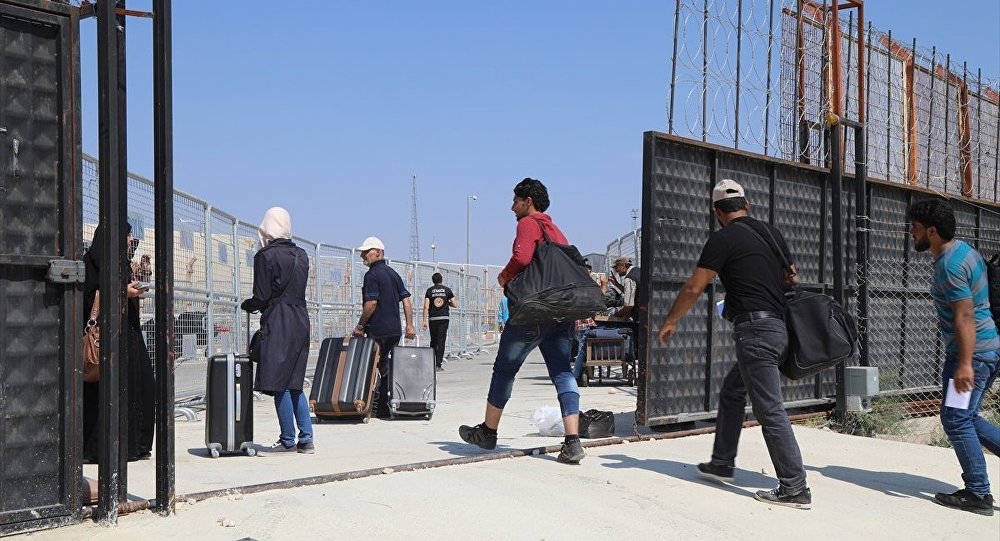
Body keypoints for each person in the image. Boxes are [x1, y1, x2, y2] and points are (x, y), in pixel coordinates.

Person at [657, 178, 812, 509]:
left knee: (769, 409)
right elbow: (792, 276)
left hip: (755, 332)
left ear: (716, 211)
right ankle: (722, 462)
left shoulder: (722, 239)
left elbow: (694, 287)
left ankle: (795, 486)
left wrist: (671, 320)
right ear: (747, 204)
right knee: (732, 391)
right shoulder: (772, 233)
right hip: (778, 327)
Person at [459, 178, 585, 464]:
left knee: (504, 370)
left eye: (515, 200)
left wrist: (504, 277)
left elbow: (522, 256)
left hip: (533, 312)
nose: (511, 206)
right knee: (563, 372)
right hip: (561, 314)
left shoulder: (529, 223)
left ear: (528, 201)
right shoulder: (556, 231)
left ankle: (488, 432)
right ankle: (572, 441)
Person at [907, 199, 998, 516]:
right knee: (967, 416)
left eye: (916, 229)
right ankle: (978, 489)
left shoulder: (949, 265)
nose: (912, 234)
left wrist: (963, 364)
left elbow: (965, 316)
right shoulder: (966, 251)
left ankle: (978, 493)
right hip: (988, 348)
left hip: (971, 353)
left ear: (932, 231)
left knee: (956, 420)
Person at [240, 207, 314, 454]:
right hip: (301, 319)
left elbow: (260, 297)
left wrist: (248, 305)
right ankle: (306, 439)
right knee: (295, 383)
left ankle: (287, 440)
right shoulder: (302, 255)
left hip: (279, 320)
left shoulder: (265, 256)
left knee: (279, 383)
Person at [81, 223, 155, 463]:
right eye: (126, 234)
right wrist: (124, 292)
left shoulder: (121, 262)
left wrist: (135, 284)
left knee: (142, 385)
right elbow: (89, 297)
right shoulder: (93, 261)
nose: (130, 238)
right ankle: (103, 449)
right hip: (105, 338)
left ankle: (136, 445)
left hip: (130, 334)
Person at [352, 236, 417, 418]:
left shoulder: (371, 275)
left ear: (378, 253)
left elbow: (371, 303)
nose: (363, 255)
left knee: (373, 367)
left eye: (366, 252)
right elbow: (406, 301)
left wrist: (360, 325)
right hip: (394, 331)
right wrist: (409, 326)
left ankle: (371, 408)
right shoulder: (393, 274)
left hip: (378, 329)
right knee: (386, 368)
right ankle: (384, 408)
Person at [422, 272, 458, 371]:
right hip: (444, 318)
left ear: (433, 281)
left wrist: (424, 320)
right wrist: (447, 303)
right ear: (441, 280)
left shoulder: (429, 291)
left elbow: (426, 306)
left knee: (433, 341)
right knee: (441, 341)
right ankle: (438, 365)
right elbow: (455, 304)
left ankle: (432, 363)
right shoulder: (447, 290)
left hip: (433, 318)